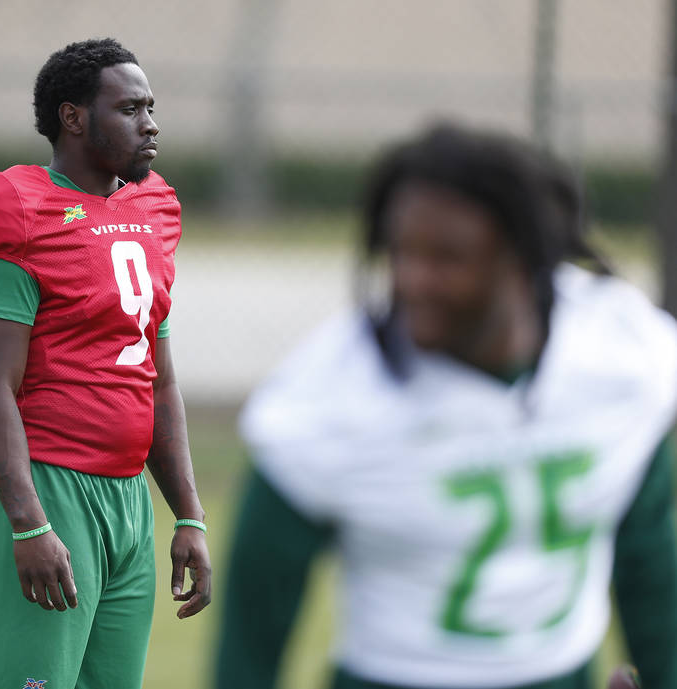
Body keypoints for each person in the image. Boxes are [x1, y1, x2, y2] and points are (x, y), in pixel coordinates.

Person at [214, 123, 677, 689]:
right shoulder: (332, 397)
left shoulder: (618, 354)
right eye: (401, 252)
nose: (412, 280)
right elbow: (252, 632)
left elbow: (650, 560)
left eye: (446, 258)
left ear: (518, 257)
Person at [0, 37, 212, 689]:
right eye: (130, 108)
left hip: (128, 503)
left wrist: (186, 512)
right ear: (73, 117)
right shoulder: (19, 210)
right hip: (50, 488)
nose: (150, 123)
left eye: (151, 107)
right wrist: (28, 522)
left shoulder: (150, 210)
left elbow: (159, 379)